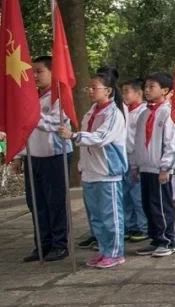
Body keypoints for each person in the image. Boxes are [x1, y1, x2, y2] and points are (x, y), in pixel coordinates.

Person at [60, 68, 127, 268]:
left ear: (108, 91)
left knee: (111, 216)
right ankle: (104, 250)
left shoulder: (114, 114)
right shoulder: (91, 113)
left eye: (94, 87)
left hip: (107, 172)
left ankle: (115, 252)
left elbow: (101, 138)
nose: (90, 91)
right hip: (91, 172)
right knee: (96, 217)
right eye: (88, 87)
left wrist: (74, 136)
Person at [15, 56, 72, 262]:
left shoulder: (59, 96)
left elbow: (56, 125)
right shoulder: (32, 97)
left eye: (39, 71)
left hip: (55, 155)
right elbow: (24, 129)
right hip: (34, 156)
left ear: (52, 72)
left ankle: (59, 244)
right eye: (33, 72)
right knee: (36, 203)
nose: (35, 76)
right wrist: (20, 154)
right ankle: (42, 244)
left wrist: (32, 114)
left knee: (55, 202)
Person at [130, 71, 175, 258]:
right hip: (145, 167)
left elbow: (172, 143)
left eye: (152, 86)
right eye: (146, 86)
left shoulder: (168, 113)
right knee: (148, 205)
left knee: (161, 205)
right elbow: (137, 141)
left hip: (160, 169)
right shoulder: (145, 113)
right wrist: (135, 165)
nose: (147, 90)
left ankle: (167, 240)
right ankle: (155, 238)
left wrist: (166, 167)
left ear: (165, 90)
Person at [120, 78, 149, 242]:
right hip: (124, 158)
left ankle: (143, 226)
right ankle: (131, 226)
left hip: (137, 158)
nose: (124, 95)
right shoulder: (124, 111)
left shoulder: (144, 111)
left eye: (127, 91)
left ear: (138, 93)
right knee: (125, 196)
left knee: (138, 196)